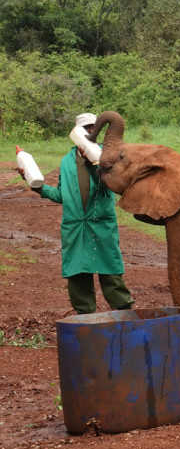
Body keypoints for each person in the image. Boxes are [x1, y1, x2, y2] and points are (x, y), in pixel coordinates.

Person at [18, 113, 133, 315]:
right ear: (77, 133)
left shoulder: (105, 157)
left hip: (100, 224)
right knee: (78, 272)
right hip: (75, 225)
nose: (90, 132)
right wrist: (38, 187)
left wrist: (93, 167)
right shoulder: (66, 162)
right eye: (87, 128)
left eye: (93, 128)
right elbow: (62, 195)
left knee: (110, 270)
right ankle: (85, 318)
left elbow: (110, 187)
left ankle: (124, 313)